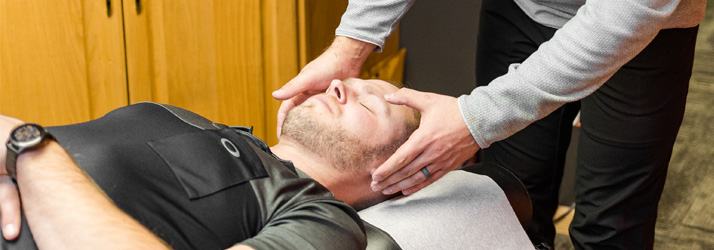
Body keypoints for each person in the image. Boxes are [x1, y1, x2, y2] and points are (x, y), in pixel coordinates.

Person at [271, 0, 707, 249]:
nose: (343, 87)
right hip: (521, 6)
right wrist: (351, 45)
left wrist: (478, 120)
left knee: (614, 224)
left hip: (640, 20)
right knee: (521, 190)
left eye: (371, 104)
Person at [0, 78, 532, 250]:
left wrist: (27, 148)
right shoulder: (177, 113)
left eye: (374, 103)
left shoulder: (326, 222)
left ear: (403, 174)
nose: (342, 83)